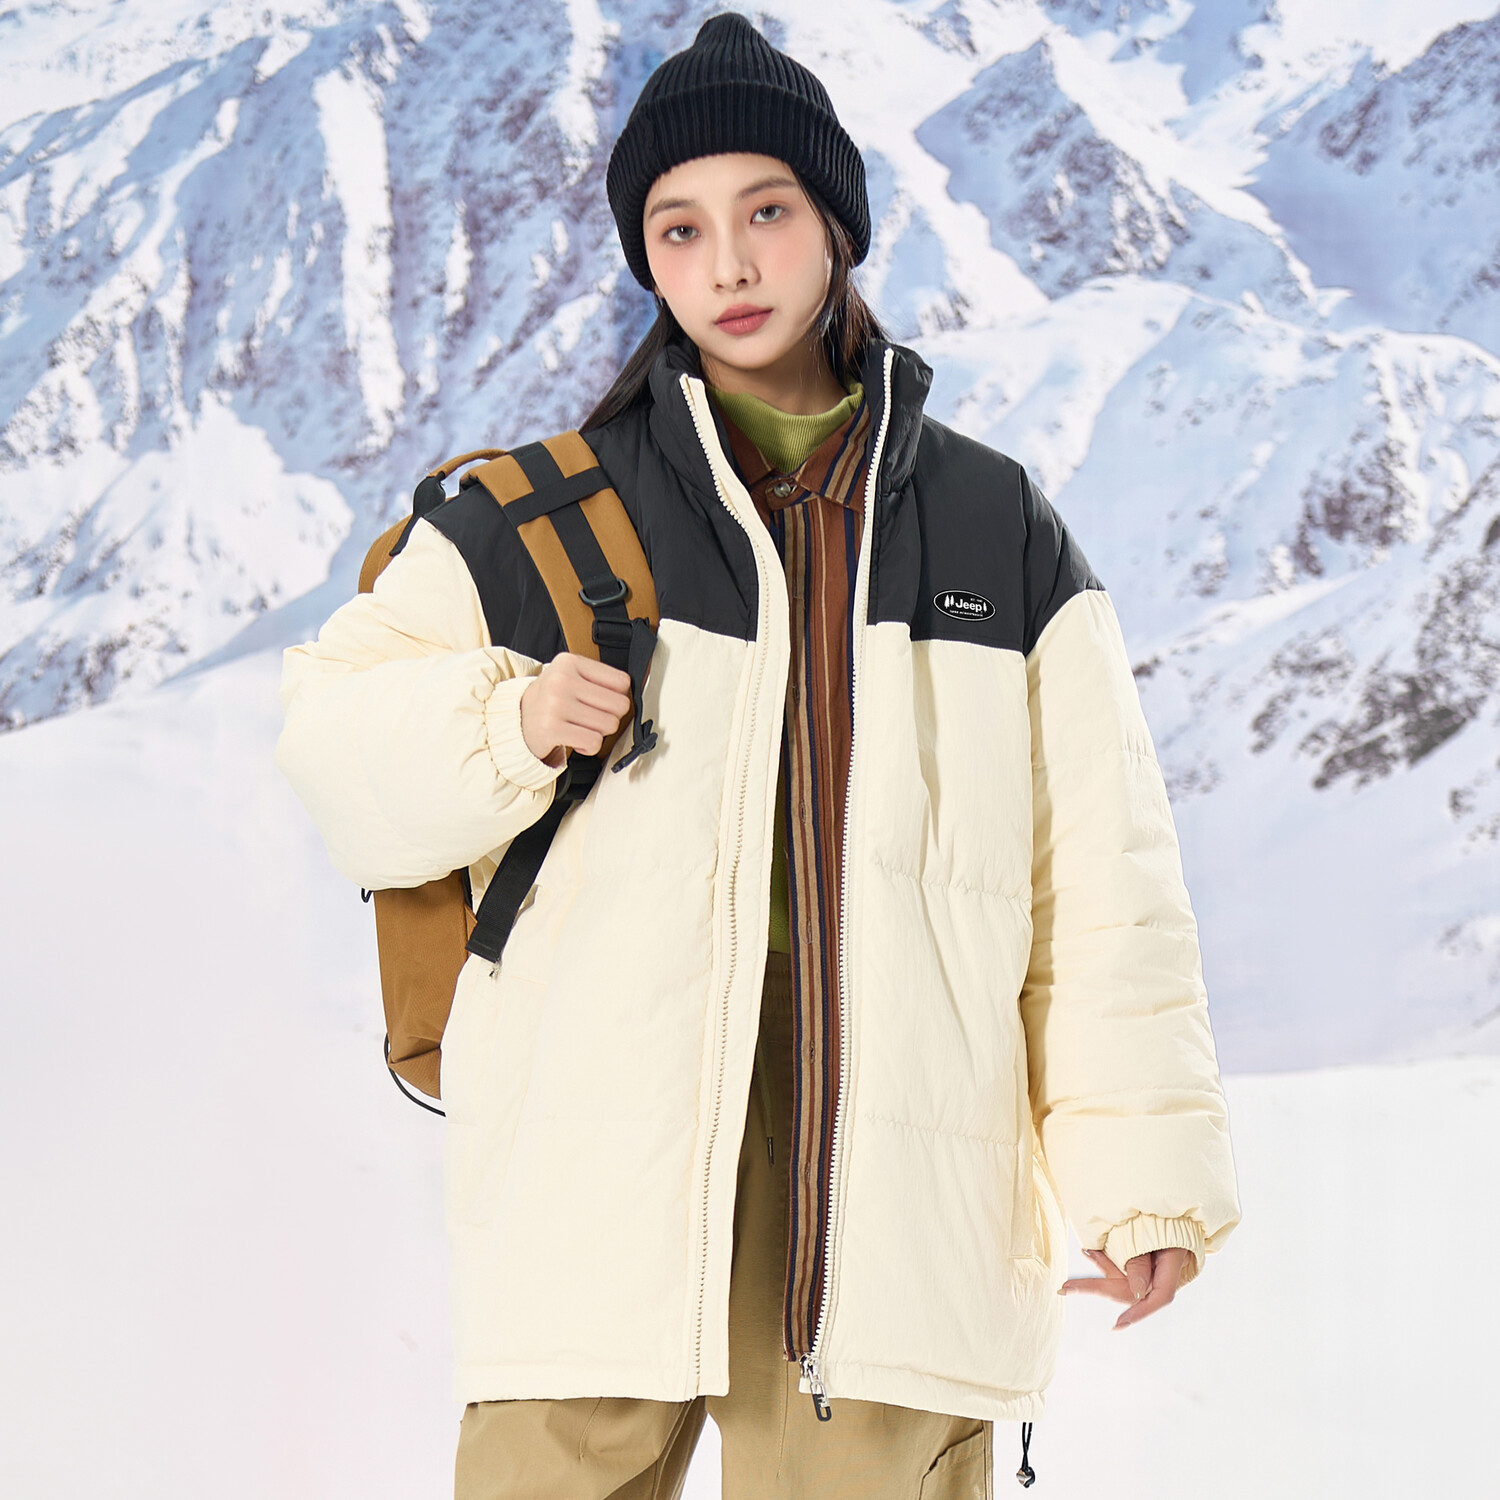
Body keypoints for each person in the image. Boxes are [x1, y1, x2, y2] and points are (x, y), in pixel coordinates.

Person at [275, 12, 1241, 1498]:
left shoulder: (994, 529)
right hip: (602, 1165)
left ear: (836, 226)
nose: (728, 264)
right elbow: (333, 743)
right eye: (680, 229)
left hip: (895, 1198)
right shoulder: (535, 519)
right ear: (647, 261)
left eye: (766, 212)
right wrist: (505, 724)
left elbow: (1102, 887)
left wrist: (1141, 1180)